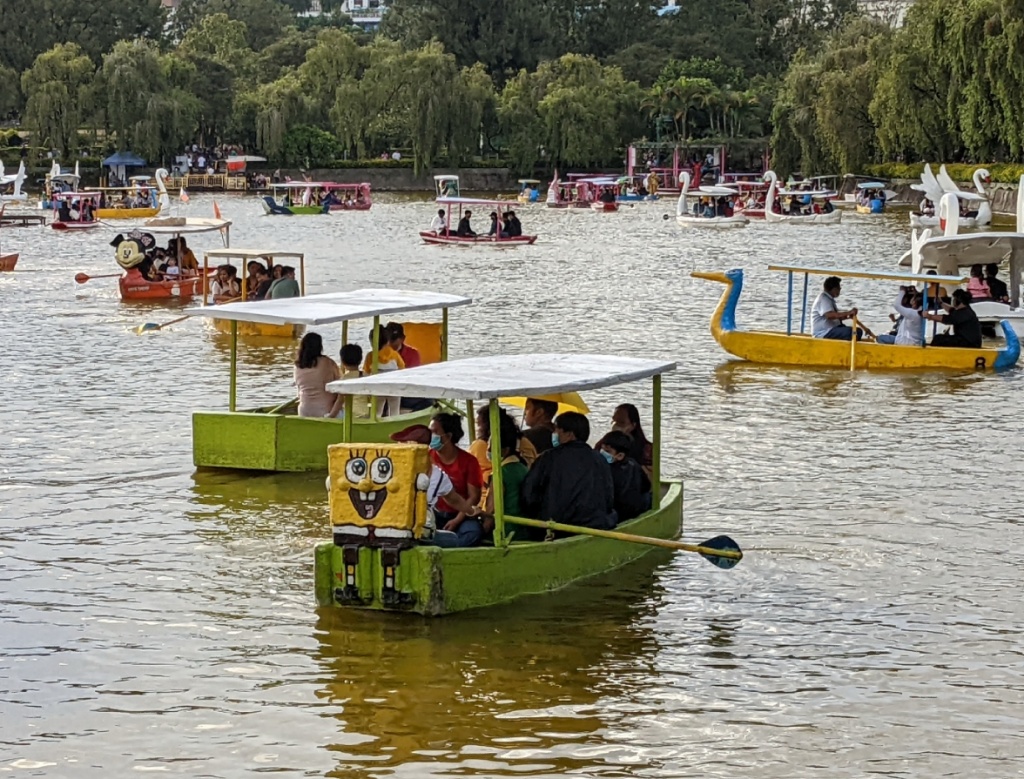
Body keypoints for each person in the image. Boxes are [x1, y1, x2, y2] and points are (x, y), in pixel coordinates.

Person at [520, 411, 617, 531]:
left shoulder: (548, 458)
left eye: (557, 431)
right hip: (595, 524)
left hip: (557, 527)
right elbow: (609, 497)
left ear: (570, 434)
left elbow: (529, 495)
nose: (554, 434)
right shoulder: (600, 459)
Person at [387, 425, 481, 544]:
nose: (398, 448)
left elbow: (454, 499)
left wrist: (471, 511)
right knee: (453, 540)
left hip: (419, 533)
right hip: (392, 528)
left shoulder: (437, 475)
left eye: (402, 444)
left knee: (456, 539)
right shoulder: (390, 469)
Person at [428, 413, 484, 547]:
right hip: (435, 513)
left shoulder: (469, 461)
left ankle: (444, 545)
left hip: (462, 514)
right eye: (429, 432)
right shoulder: (426, 457)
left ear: (448, 436)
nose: (431, 437)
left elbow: (474, 497)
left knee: (473, 533)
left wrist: (456, 520)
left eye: (435, 432)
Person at [483, 409, 531, 540]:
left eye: (491, 447)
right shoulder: (523, 468)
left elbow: (491, 510)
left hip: (506, 532)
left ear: (505, 450)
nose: (487, 450)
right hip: (524, 530)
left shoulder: (501, 473)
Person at [599, 430, 651, 522]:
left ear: (620, 455)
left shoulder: (607, 470)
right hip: (635, 507)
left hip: (620, 512)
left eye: (607, 451)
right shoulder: (633, 463)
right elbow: (646, 485)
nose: (602, 453)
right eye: (602, 449)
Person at [293, 332, 341, 418]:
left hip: (303, 410)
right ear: (319, 346)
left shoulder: (297, 366)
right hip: (326, 411)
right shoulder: (327, 362)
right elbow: (338, 385)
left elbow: (298, 389)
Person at [812, 276, 862, 341]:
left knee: (858, 332)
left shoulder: (829, 299)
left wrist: (848, 316)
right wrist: (849, 312)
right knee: (851, 332)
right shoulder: (823, 299)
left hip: (831, 329)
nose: (840, 289)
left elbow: (836, 317)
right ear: (834, 289)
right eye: (839, 288)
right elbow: (830, 316)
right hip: (823, 333)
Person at [327, 344, 370, 419]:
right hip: (365, 413)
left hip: (349, 416)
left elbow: (340, 401)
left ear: (343, 362)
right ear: (360, 360)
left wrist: (330, 416)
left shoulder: (344, 379)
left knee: (335, 413)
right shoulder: (366, 376)